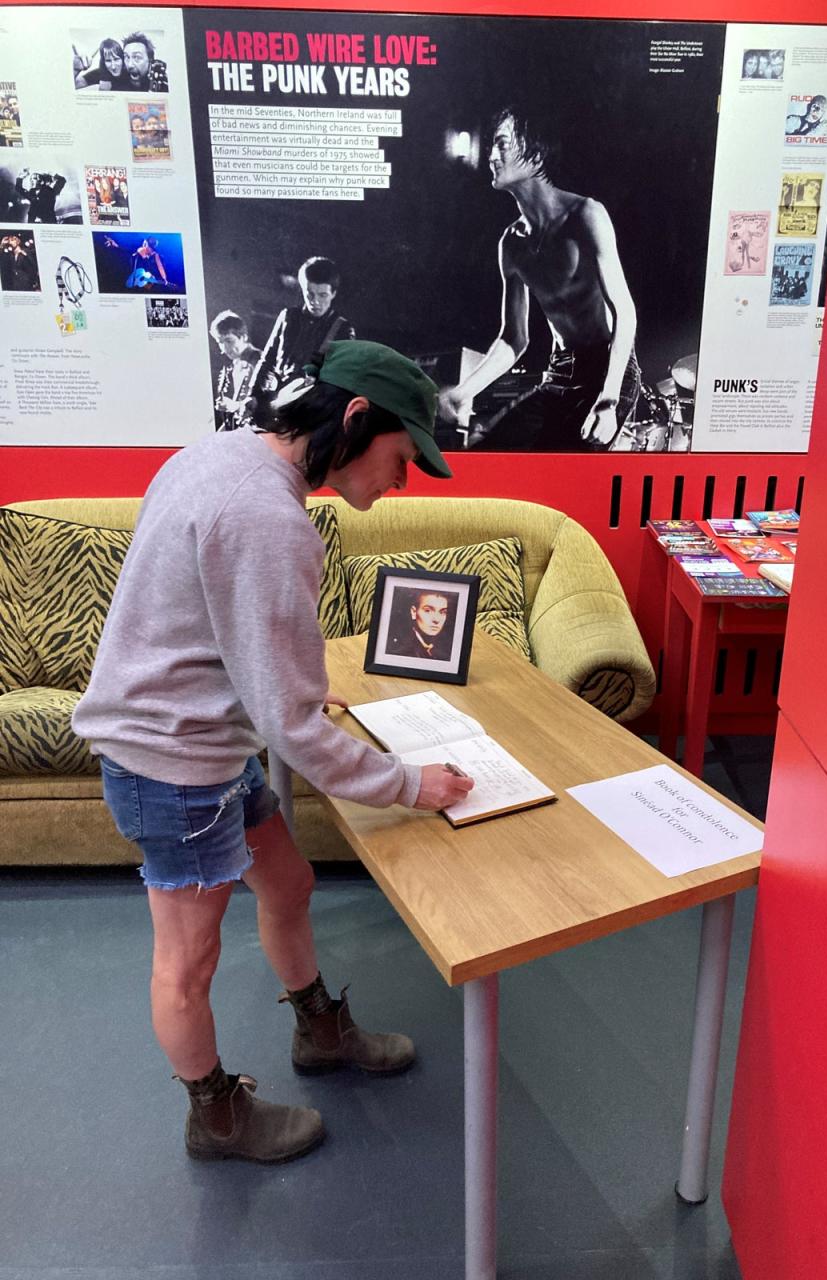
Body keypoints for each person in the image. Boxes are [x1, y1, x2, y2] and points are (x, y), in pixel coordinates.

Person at [71, 340, 474, 1165]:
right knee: (189, 960)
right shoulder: (268, 517)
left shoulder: (221, 452)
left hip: (202, 740)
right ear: (357, 419)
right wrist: (410, 785)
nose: (400, 484)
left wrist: (282, 682)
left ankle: (321, 1033)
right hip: (170, 761)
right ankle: (214, 1116)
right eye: (402, 460)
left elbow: (203, 606)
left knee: (287, 882)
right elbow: (291, 730)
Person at [437, 107, 639, 453]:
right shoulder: (512, 244)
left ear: (535, 151)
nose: (491, 156)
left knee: (570, 478)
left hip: (607, 371)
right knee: (488, 456)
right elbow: (514, 339)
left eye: (501, 144)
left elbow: (626, 314)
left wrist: (608, 399)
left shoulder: (586, 215)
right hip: (557, 373)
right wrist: (463, 391)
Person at [252, 256, 356, 404]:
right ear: (303, 289)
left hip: (311, 409)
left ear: (334, 294)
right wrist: (253, 394)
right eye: (310, 294)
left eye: (323, 295)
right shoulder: (288, 316)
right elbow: (267, 360)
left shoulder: (342, 329)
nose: (315, 301)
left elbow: (343, 380)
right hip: (275, 401)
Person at [209, 309, 262, 431]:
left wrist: (233, 406)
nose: (224, 348)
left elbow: (265, 405)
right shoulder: (236, 363)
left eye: (229, 341)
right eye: (220, 342)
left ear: (243, 337)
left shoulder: (259, 360)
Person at [386, 590, 453, 661]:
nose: (436, 619)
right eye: (428, 610)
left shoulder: (444, 651)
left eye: (443, 612)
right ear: (414, 612)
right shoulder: (401, 651)